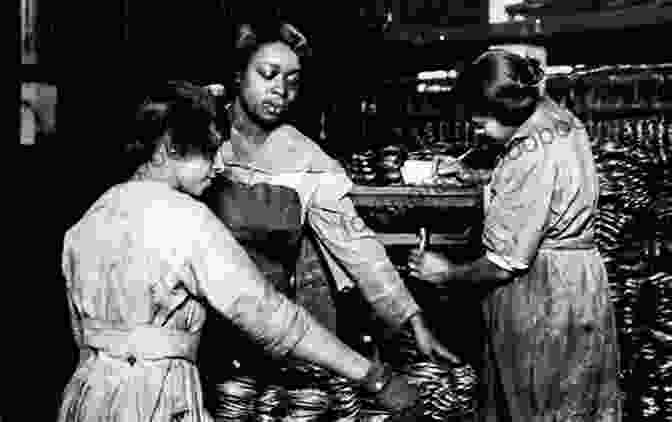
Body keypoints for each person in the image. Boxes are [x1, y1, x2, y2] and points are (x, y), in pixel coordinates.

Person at [57, 81, 425, 421]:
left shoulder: (88, 221)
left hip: (87, 396)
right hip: (155, 400)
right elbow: (271, 318)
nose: (218, 166)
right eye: (210, 151)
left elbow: (80, 335)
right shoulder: (187, 219)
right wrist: (373, 377)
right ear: (169, 148)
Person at [199, 19, 457, 384]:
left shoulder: (305, 158)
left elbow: (356, 245)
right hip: (201, 325)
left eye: (292, 81)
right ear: (238, 75)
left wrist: (410, 319)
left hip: (271, 324)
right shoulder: (200, 139)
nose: (281, 91)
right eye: (268, 74)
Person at [408, 50, 622, 421]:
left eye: (481, 125)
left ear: (508, 112)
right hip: (578, 280)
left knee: (535, 403)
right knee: (573, 401)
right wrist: (482, 178)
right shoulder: (557, 118)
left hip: (544, 294)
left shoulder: (527, 154)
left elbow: (503, 265)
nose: (478, 133)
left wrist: (444, 273)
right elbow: (546, 191)